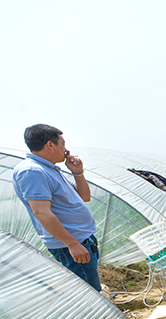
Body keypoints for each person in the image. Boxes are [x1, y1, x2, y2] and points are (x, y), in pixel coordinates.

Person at [12, 124, 101, 290]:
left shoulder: (50, 169)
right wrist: (72, 244)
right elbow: (41, 212)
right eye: (63, 144)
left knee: (91, 291)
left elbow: (84, 197)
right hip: (71, 245)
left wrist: (78, 173)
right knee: (85, 295)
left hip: (81, 241)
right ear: (50, 145)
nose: (66, 150)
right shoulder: (32, 171)